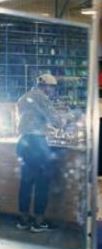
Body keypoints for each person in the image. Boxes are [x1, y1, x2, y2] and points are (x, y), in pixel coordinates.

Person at [15, 74, 65, 232]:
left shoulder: (23, 97)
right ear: (46, 86)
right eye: (52, 88)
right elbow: (56, 121)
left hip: (23, 143)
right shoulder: (42, 97)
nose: (52, 91)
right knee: (42, 184)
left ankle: (23, 221)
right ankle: (38, 223)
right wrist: (69, 117)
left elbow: (30, 119)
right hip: (37, 144)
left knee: (26, 183)